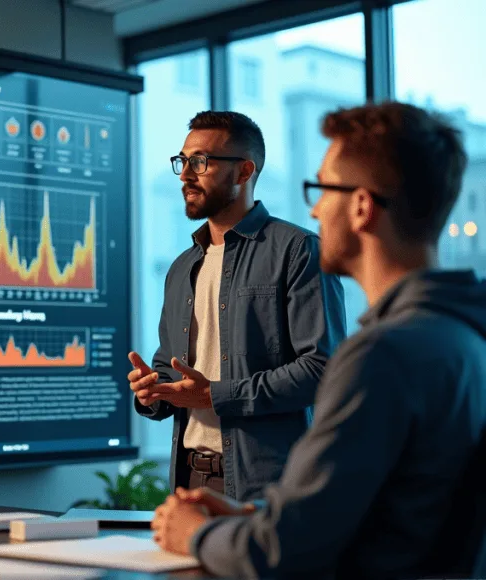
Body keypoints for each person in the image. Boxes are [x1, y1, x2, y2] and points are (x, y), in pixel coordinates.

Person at [151, 102, 486, 579]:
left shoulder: (381, 356)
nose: (314, 208)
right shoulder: (460, 337)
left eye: (323, 188)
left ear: (361, 207)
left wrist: (195, 535)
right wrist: (253, 516)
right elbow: (383, 508)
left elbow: (280, 551)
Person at [127, 111, 346, 501]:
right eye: (182, 161)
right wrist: (153, 391)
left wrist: (215, 395)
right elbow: (169, 367)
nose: (185, 175)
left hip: (269, 487)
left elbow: (322, 369)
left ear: (244, 171)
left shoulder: (298, 251)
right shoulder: (181, 267)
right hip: (189, 479)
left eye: (200, 162)